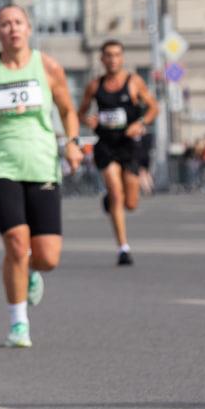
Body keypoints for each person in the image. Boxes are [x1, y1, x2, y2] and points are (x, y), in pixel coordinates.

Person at [0, 5, 81, 347]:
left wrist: (73, 143)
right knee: (17, 244)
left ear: (29, 29)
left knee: (47, 257)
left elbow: (67, 109)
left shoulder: (48, 66)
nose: (13, 28)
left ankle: (32, 272)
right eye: (5, 24)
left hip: (41, 163)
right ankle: (18, 323)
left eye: (18, 22)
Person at [78, 40, 157, 266]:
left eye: (116, 55)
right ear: (102, 59)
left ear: (122, 58)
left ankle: (111, 200)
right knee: (115, 191)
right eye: (108, 55)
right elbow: (80, 112)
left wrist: (140, 123)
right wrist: (88, 120)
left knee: (131, 203)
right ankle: (123, 248)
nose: (113, 59)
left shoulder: (134, 82)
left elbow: (154, 108)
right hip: (106, 145)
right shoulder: (95, 85)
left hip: (129, 145)